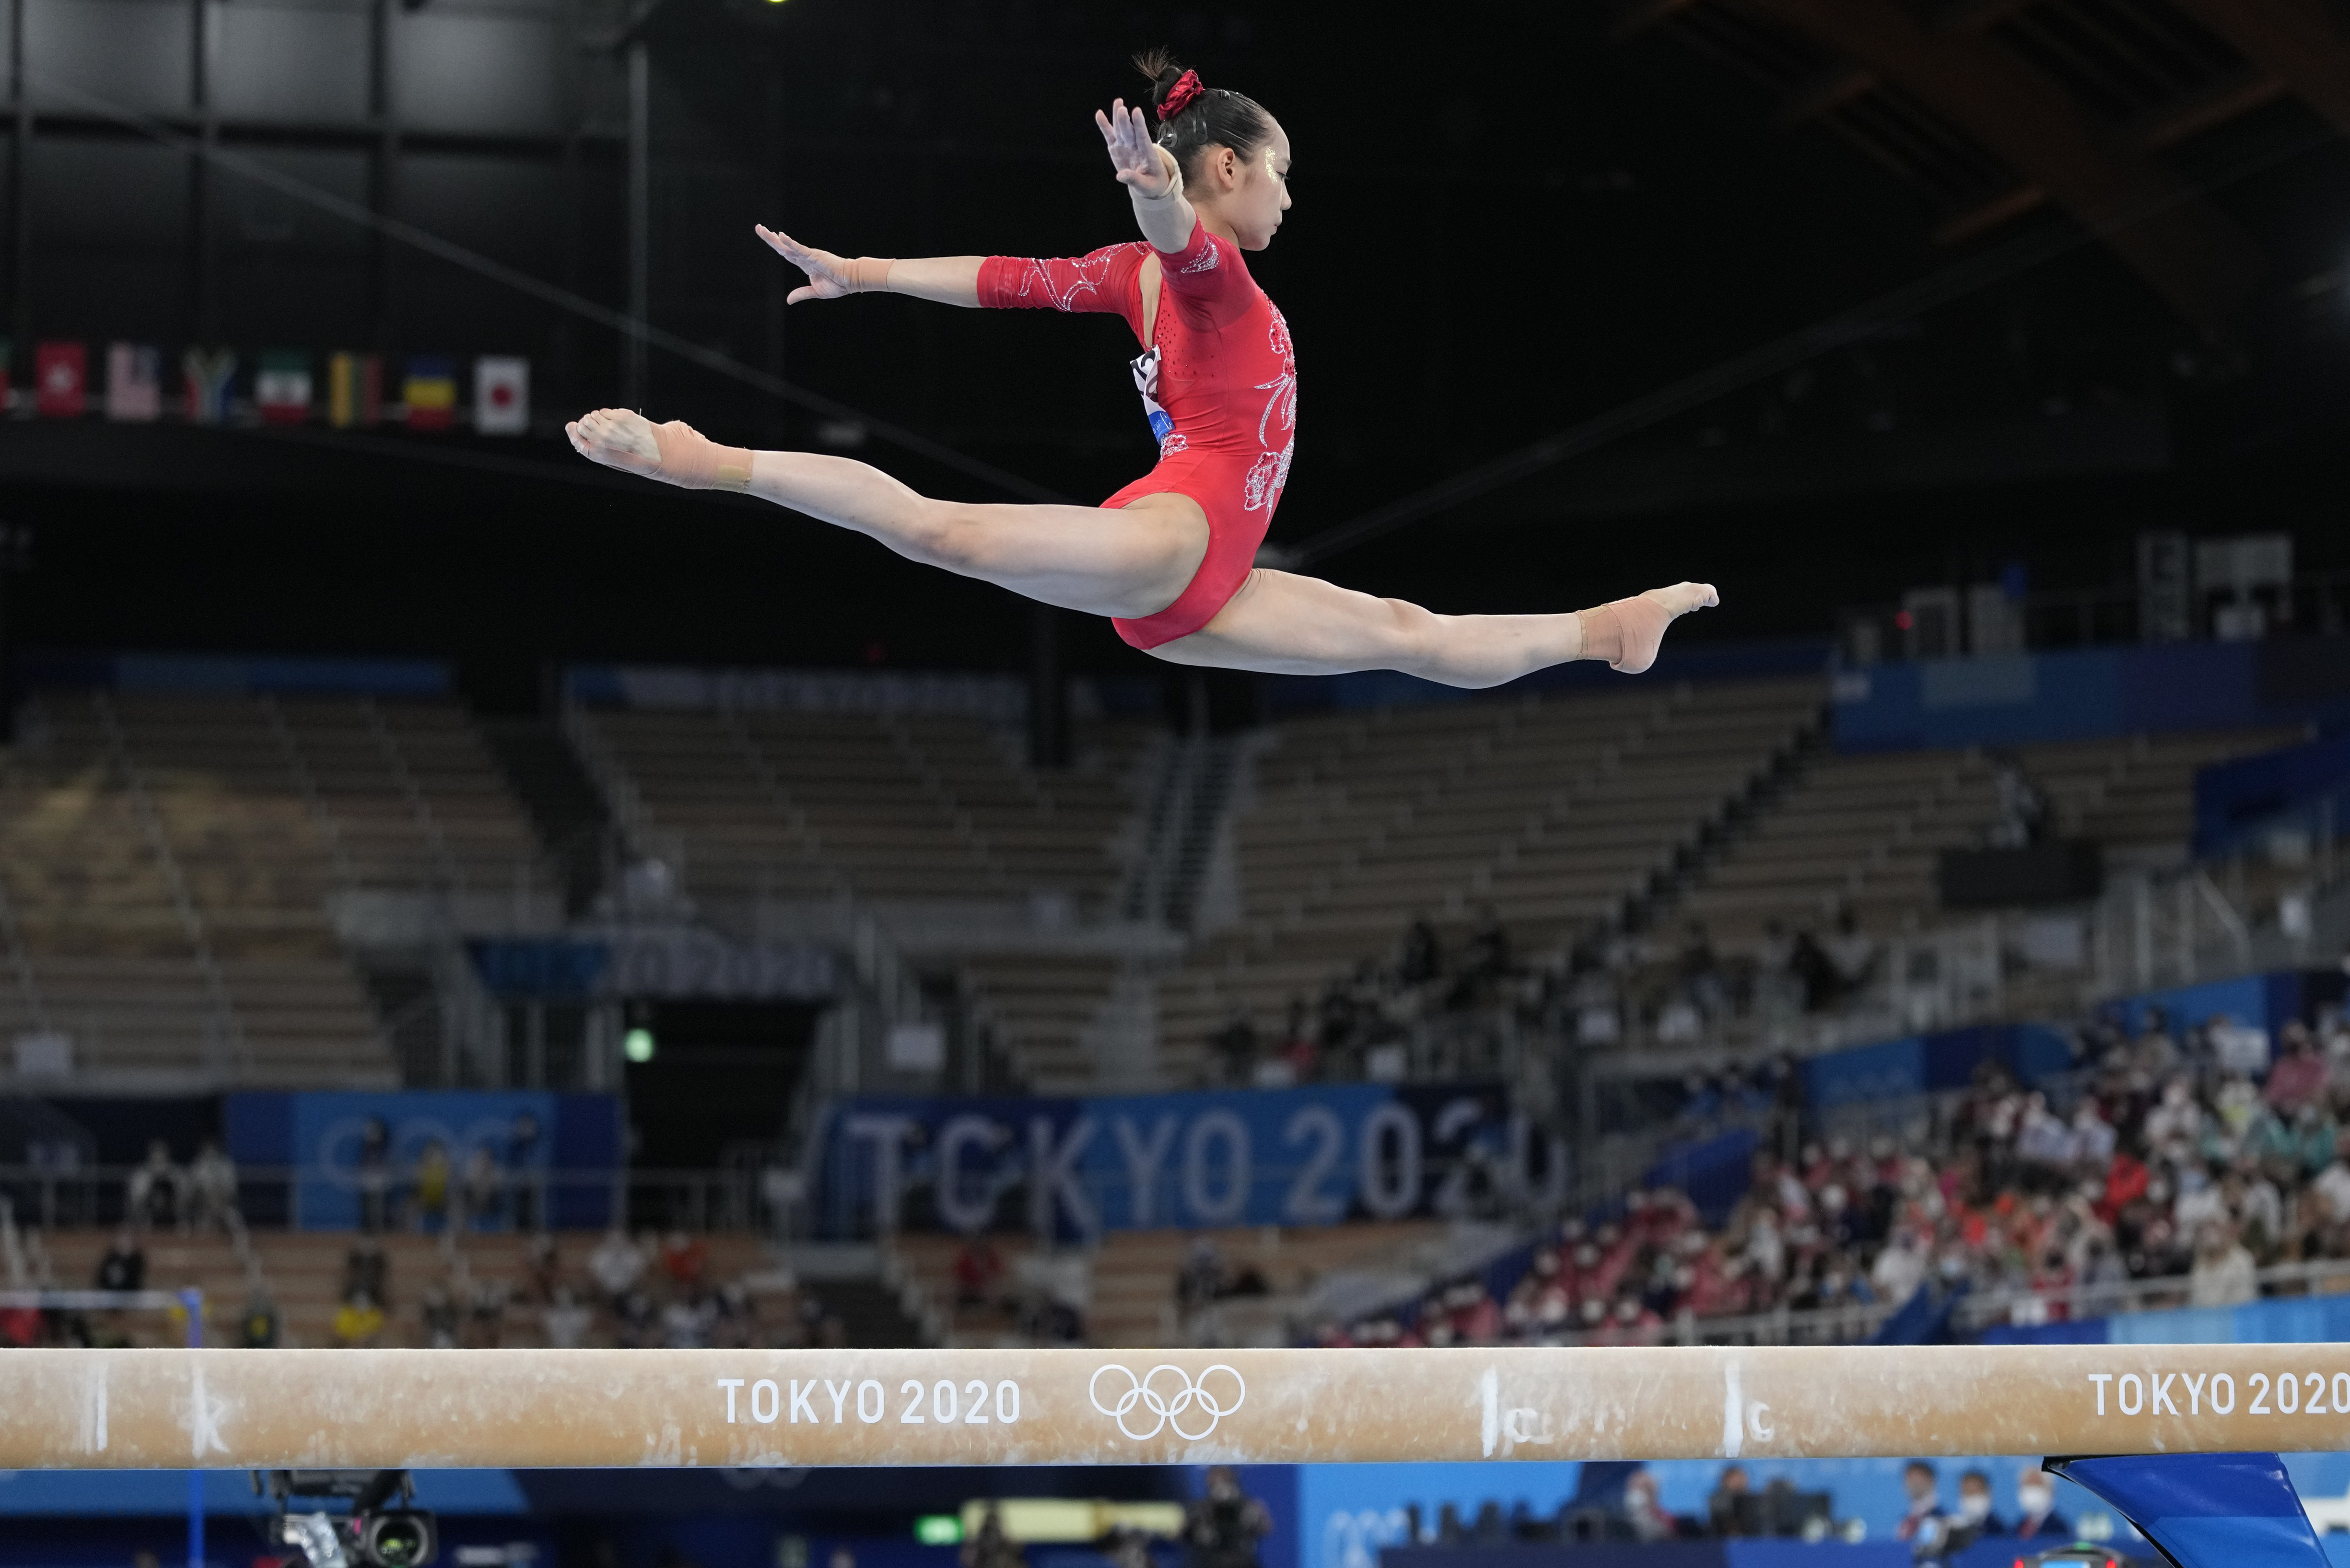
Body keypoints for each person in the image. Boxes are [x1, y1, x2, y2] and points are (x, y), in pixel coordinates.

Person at [567, 56, 1716, 689]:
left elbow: (1065, 261)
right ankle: (701, 458)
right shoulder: (1192, 273)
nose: (1290, 196)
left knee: (1410, 634)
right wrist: (868, 271)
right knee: (943, 535)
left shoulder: (1167, 271)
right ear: (1229, 165)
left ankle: (1603, 628)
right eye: (1280, 175)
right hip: (1175, 537)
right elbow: (1064, 262)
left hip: (1208, 572)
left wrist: (871, 269)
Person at [2010, 1470, 2069, 1545]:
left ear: (2051, 1490)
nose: (2032, 1491)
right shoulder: (2017, 1528)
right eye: (2029, 1485)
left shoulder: (2059, 1528)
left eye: (2037, 1484)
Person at [1894, 1461, 1940, 1543]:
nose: (1913, 1485)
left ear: (1931, 1481)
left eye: (1917, 1480)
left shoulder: (1941, 1518)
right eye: (1910, 1479)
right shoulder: (1905, 1522)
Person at [1706, 1464, 1751, 1538]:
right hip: (1720, 1538)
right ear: (1725, 1481)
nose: (1739, 1484)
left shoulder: (1753, 1503)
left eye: (1741, 1480)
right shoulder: (1717, 1501)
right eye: (1735, 1480)